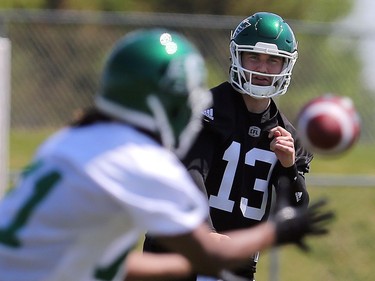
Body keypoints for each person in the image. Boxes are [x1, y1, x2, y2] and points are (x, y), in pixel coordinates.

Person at [0, 28, 331, 281]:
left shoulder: (70, 138)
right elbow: (207, 254)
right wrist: (274, 232)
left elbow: (84, 258)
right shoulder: (144, 164)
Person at [143, 12, 314, 281]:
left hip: (234, 266)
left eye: (273, 60)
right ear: (237, 56)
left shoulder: (289, 135)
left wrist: (288, 166)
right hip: (176, 253)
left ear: (286, 65)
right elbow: (189, 174)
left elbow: (296, 211)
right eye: (253, 57)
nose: (262, 68)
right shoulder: (203, 109)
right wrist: (206, 232)